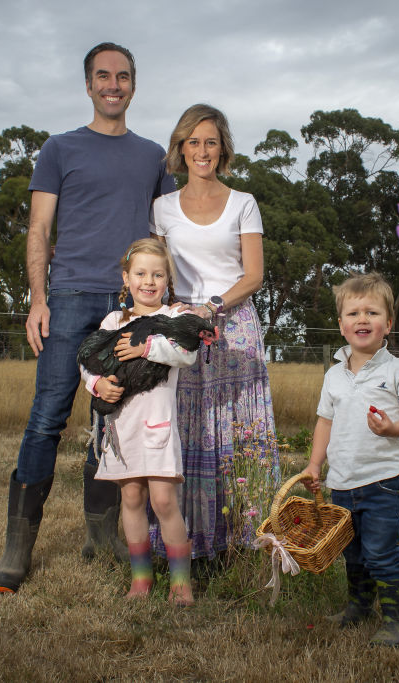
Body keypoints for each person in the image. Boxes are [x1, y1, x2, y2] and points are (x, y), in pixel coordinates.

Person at [0, 42, 176, 593]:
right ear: (88, 85)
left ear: (133, 85)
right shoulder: (59, 149)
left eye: (122, 76)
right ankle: (15, 552)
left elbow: (161, 239)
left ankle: (102, 536)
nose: (112, 84)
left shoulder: (153, 157)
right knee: (48, 416)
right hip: (68, 296)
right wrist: (38, 298)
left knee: (111, 418)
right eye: (102, 76)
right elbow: (40, 229)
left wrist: (163, 307)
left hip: (126, 306)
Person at [149, 104, 279, 561]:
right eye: (193, 142)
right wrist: (175, 314)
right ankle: (188, 547)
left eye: (210, 142)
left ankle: (242, 545)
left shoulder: (243, 202)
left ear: (222, 147)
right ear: (180, 149)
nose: (202, 151)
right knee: (189, 430)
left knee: (235, 431)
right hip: (183, 330)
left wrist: (213, 306)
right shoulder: (162, 208)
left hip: (235, 327)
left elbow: (254, 275)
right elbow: (161, 271)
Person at [301, 272, 399, 647]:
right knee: (352, 553)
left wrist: (392, 429)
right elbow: (325, 421)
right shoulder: (334, 376)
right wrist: (314, 465)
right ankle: (359, 606)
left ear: (388, 323)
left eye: (372, 312)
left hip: (382, 481)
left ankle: (394, 619)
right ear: (341, 325)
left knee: (381, 552)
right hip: (341, 481)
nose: (362, 319)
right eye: (353, 313)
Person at [81, 238, 198, 606]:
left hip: (157, 426)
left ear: (168, 280)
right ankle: (141, 579)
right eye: (141, 273)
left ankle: (181, 585)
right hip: (121, 427)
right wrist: (96, 384)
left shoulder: (176, 319)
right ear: (126, 278)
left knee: (163, 501)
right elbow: (89, 360)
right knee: (131, 497)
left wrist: (144, 348)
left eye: (158, 274)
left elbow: (186, 354)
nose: (149, 281)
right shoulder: (114, 320)